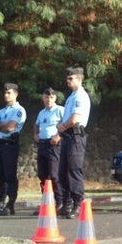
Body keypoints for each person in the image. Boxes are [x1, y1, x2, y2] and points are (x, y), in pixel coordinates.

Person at [0, 83, 26, 216]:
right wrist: (3, 124)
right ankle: (0, 203)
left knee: (9, 175)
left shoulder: (18, 110)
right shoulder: (2, 111)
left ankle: (10, 204)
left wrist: (0, 126)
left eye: (9, 93)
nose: (6, 95)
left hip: (10, 145)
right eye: (5, 93)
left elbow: (10, 128)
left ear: (16, 94)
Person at [58, 66, 91, 220]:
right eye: (67, 78)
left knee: (73, 170)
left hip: (76, 136)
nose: (68, 81)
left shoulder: (81, 96)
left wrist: (62, 126)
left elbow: (74, 119)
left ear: (79, 79)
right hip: (67, 136)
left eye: (71, 78)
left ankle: (78, 203)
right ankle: (67, 202)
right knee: (63, 170)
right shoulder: (71, 96)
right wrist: (61, 128)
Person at [32, 87, 65, 216]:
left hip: (54, 146)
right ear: (43, 98)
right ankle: (47, 203)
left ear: (55, 98)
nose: (49, 99)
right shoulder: (42, 113)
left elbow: (67, 125)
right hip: (43, 144)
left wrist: (59, 136)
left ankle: (60, 202)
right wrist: (35, 135)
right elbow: (36, 125)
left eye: (51, 97)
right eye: (46, 97)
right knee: (43, 175)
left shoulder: (60, 110)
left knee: (55, 175)